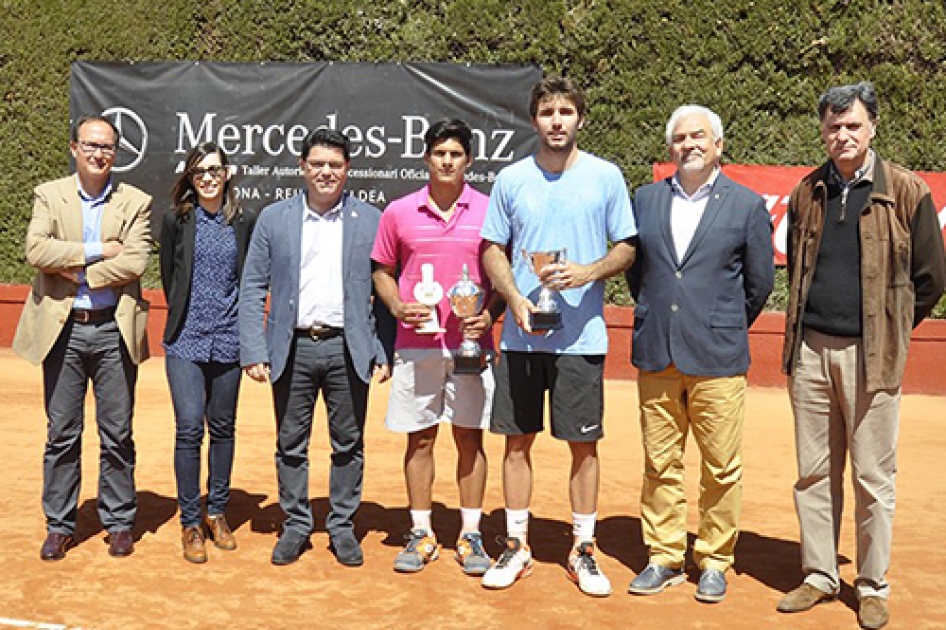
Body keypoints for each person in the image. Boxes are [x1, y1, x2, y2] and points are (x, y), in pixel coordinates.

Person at [776, 82, 946, 630]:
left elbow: (931, 278)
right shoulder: (807, 193)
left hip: (873, 358)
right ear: (822, 131)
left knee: (873, 477)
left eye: (852, 125)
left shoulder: (907, 191)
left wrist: (890, 330)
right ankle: (821, 576)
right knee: (813, 474)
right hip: (810, 354)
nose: (842, 134)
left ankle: (871, 584)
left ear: (873, 126)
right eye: (832, 126)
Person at [479, 76, 637, 597]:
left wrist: (587, 273)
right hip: (522, 338)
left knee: (583, 446)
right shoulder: (510, 180)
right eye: (547, 113)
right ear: (534, 121)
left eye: (566, 112)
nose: (557, 121)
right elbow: (493, 250)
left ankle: (583, 548)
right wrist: (516, 299)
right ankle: (517, 545)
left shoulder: (606, 177)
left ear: (580, 119)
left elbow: (627, 248)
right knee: (516, 442)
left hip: (581, 340)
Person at [624, 105, 774, 603]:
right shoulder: (643, 200)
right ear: (670, 147)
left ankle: (714, 559)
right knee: (660, 462)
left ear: (718, 145)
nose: (689, 144)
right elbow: (637, 272)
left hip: (718, 356)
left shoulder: (747, 206)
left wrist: (719, 323)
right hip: (657, 351)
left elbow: (759, 284)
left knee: (721, 465)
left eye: (699, 136)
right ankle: (665, 556)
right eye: (681, 137)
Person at [239, 128, 394, 568]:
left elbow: (384, 286)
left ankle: (342, 527)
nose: (326, 172)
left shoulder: (372, 219)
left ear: (347, 170)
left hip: (349, 347)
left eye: (335, 165)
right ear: (303, 167)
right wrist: (253, 347)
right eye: (318, 164)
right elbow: (252, 285)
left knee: (348, 443)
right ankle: (296, 526)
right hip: (293, 347)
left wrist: (384, 349)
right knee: (291, 443)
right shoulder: (273, 218)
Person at [13, 114, 152, 560]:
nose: (99, 154)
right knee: (62, 433)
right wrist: (97, 250)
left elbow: (134, 263)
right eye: (91, 145)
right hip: (64, 331)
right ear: (74, 147)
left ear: (117, 153)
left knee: (117, 432)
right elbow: (36, 249)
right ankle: (59, 524)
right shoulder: (48, 194)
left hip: (113, 331)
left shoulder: (136, 201)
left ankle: (118, 521)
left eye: (107, 147)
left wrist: (73, 269)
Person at [372, 119, 504, 576]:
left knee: (470, 437)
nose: (447, 161)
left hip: (472, 346)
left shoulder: (491, 211)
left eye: (456, 153)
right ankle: (422, 531)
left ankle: (470, 534)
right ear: (427, 158)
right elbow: (383, 271)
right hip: (416, 345)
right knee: (421, 437)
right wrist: (395, 305)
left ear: (468, 160)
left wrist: (491, 312)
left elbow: (503, 276)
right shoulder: (398, 212)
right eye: (439, 153)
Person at [160, 142, 257, 563]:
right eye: (200, 172)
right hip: (185, 339)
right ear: (190, 178)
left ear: (229, 173)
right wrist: (187, 313)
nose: (208, 178)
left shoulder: (244, 222)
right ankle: (190, 522)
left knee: (223, 427)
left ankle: (217, 512)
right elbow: (170, 275)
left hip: (229, 339)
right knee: (187, 428)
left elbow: (250, 280)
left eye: (215, 170)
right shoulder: (176, 219)